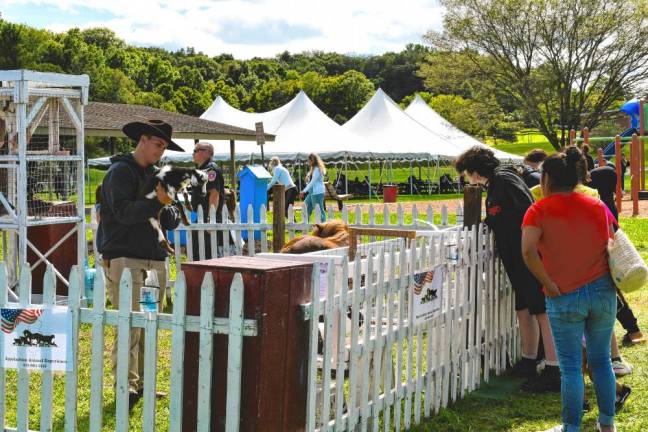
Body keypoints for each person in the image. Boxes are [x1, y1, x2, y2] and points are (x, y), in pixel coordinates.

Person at [521, 147, 617, 432]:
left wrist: (548, 283)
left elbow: (527, 251)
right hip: (602, 291)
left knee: (572, 367)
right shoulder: (597, 205)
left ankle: (571, 427)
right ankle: (607, 424)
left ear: (547, 178)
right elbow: (611, 243)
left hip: (563, 294)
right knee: (602, 362)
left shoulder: (537, 209)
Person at [455, 146, 560, 391]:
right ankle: (530, 359)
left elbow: (527, 212)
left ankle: (554, 368)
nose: (469, 180)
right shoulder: (498, 181)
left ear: (474, 170)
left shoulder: (504, 179)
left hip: (526, 255)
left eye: (467, 174)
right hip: (516, 256)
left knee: (540, 309)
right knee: (524, 308)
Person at [97, 119, 183, 410]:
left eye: (164, 147)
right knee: (129, 326)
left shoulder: (160, 175)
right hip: (126, 258)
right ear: (142, 140)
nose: (160, 151)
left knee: (149, 323)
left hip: (154, 260)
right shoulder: (120, 171)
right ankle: (126, 388)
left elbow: (171, 219)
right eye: (157, 144)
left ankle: (143, 384)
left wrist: (168, 204)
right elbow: (122, 213)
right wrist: (157, 204)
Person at [189, 142, 231, 260]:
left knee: (208, 254)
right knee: (198, 252)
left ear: (206, 152)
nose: (193, 154)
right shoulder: (201, 169)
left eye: (195, 151)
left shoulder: (211, 170)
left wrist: (210, 219)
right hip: (202, 216)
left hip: (209, 217)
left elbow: (214, 194)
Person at [300, 153, 327, 222]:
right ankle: (305, 224)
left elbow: (313, 182)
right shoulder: (313, 169)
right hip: (312, 192)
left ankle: (324, 226)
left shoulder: (317, 169)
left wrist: (304, 191)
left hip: (317, 193)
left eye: (309, 160)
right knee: (305, 207)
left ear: (313, 160)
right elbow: (309, 181)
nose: (308, 162)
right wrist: (307, 179)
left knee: (319, 211)